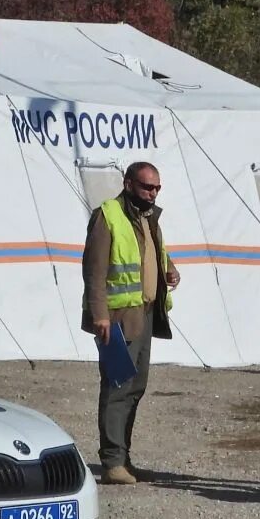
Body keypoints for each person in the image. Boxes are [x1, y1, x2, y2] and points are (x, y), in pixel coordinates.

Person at [82, 161, 180, 484]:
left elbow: (153, 252)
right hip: (118, 318)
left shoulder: (149, 218)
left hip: (146, 314)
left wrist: (169, 270)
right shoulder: (108, 216)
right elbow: (94, 272)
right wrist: (99, 316)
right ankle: (111, 462)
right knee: (117, 385)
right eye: (147, 187)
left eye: (156, 188)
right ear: (128, 184)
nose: (152, 193)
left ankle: (123, 457)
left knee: (136, 386)